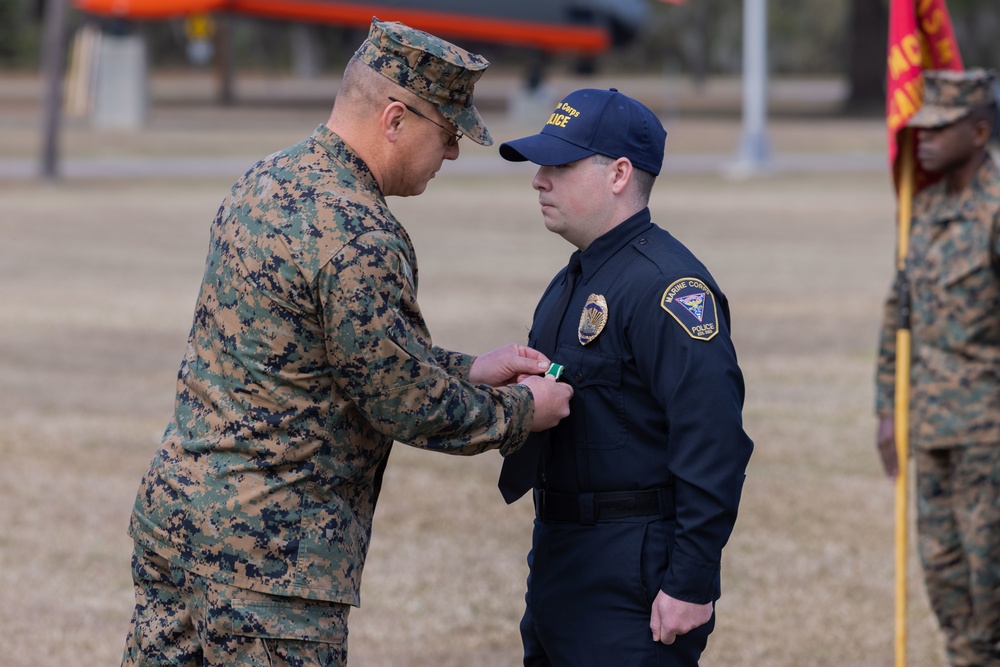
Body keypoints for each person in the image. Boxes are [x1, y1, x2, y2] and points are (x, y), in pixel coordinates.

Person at [121, 18, 574, 667]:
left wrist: (472, 367)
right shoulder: (359, 235)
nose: (450, 154)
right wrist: (525, 412)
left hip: (178, 531)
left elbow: (326, 354)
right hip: (269, 567)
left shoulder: (265, 182)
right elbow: (400, 400)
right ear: (395, 120)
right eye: (447, 133)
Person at [496, 88, 754, 666]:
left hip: (631, 564)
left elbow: (713, 440)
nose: (539, 179)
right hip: (563, 553)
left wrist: (691, 579)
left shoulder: (667, 288)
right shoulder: (574, 279)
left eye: (559, 165)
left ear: (618, 174)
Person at [875, 68, 1000, 667]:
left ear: (979, 131)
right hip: (932, 433)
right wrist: (885, 407)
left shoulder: (997, 212)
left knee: (992, 596)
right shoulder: (921, 208)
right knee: (950, 596)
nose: (917, 139)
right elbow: (898, 313)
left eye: (936, 128)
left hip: (990, 443)